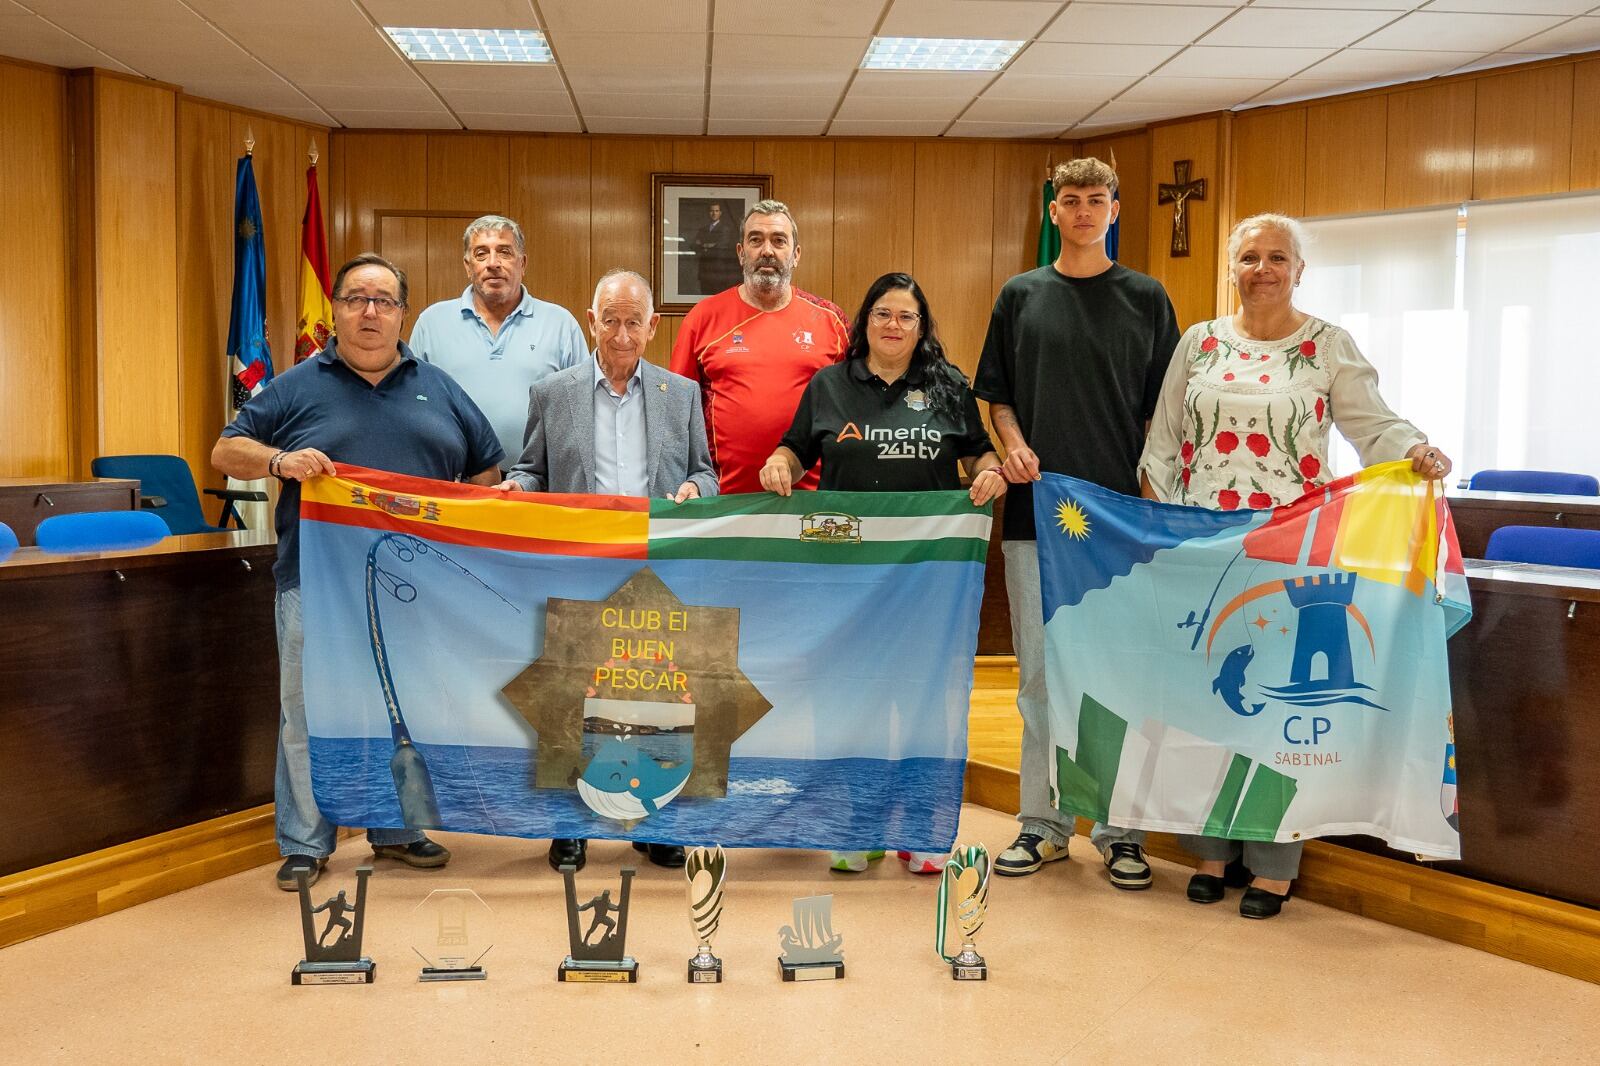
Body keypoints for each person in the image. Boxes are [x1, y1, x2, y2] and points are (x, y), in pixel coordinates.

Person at [1140, 212, 1454, 919]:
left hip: (1295, 548)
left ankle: (1275, 862)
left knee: (1279, 705)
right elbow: (1162, 443)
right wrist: (1164, 525)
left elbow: (1373, 426)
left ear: (1299, 269)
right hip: (1206, 548)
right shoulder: (1199, 343)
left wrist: (1418, 451)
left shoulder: (1325, 345)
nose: (1263, 269)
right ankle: (1212, 851)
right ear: (1233, 268)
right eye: (1249, 257)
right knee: (1208, 704)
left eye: (1277, 257)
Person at [213, 253, 503, 890]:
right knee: (308, 711)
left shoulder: (440, 385)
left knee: (407, 706)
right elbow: (225, 449)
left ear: (404, 314)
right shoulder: (296, 384)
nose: (370, 312)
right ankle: (305, 841)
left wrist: (454, 515)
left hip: (416, 589)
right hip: (314, 582)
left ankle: (398, 829)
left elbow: (488, 470)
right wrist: (281, 460)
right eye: (355, 299)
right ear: (337, 310)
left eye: (384, 301)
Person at [974, 157, 1180, 890]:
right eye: (1071, 200)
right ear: (1053, 212)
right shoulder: (1021, 294)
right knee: (1040, 681)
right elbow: (995, 397)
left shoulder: (1147, 298)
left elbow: (1166, 414)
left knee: (1122, 678)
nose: (1084, 210)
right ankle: (1043, 825)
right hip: (1038, 520)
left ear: (1115, 210)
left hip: (1120, 527)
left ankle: (1122, 831)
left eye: (1097, 200)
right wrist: (1014, 443)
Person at [761, 272, 1006, 875]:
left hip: (927, 578)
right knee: (847, 699)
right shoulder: (829, 385)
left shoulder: (948, 386)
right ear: (863, 321)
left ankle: (918, 829)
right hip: (845, 578)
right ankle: (854, 825)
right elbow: (795, 448)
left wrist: (991, 469)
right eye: (882, 314)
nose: (893, 326)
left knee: (921, 702)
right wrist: (778, 462)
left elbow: (978, 450)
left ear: (922, 328)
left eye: (906, 316)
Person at [500, 269, 718, 872]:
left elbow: (707, 472)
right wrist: (515, 488)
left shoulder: (682, 394)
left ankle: (657, 823)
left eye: (634, 322)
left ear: (653, 327)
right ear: (590, 321)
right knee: (575, 695)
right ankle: (571, 827)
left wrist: (697, 489)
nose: (621, 334)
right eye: (610, 320)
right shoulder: (554, 393)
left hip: (654, 571)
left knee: (653, 697)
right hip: (578, 567)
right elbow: (532, 470)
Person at [670, 198, 850, 495]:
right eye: (756, 240)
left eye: (779, 241)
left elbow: (852, 410)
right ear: (741, 253)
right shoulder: (702, 319)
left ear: (795, 255)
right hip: (723, 500)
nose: (767, 250)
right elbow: (676, 416)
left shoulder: (832, 322)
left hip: (812, 503)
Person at [410, 214, 588, 463]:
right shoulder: (431, 323)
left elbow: (582, 410)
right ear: (467, 265)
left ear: (523, 263)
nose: (493, 263)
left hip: (537, 486)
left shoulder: (561, 324)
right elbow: (413, 405)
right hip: (454, 483)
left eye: (504, 252)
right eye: (481, 254)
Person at [688, 202, 739, 295]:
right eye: (711, 211)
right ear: (708, 213)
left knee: (717, 296)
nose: (714, 213)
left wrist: (703, 244)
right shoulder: (703, 229)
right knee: (705, 295)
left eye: (716, 211)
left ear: (720, 213)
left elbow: (721, 245)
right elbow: (693, 245)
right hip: (704, 268)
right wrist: (709, 245)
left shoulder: (725, 229)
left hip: (718, 269)